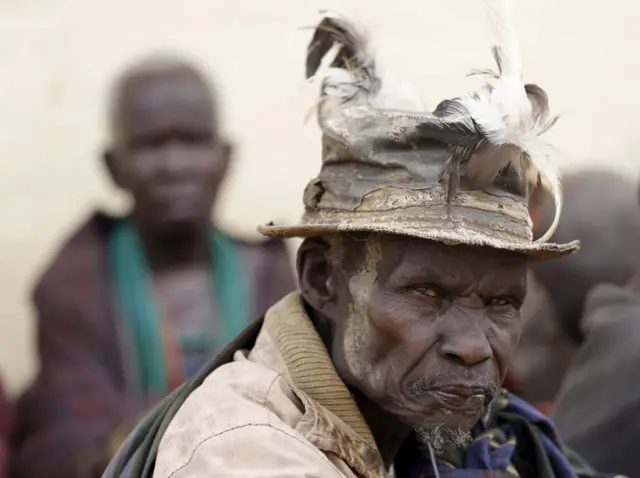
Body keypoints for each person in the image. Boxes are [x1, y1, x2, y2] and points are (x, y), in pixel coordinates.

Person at [105, 7, 615, 478]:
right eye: (427, 293)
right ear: (322, 279)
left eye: (502, 303)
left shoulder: (460, 430)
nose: (472, 346)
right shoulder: (243, 452)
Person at [12, 54, 296, 478]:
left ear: (224, 158)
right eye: (151, 145)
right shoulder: (73, 283)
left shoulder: (267, 273)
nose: (174, 166)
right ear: (113, 166)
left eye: (192, 141)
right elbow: (58, 439)